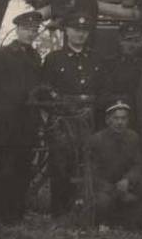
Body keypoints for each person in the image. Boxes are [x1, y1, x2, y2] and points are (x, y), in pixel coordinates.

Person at [0, 11, 44, 227]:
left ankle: (15, 215)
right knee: (2, 170)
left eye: (34, 30)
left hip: (27, 123)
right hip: (5, 124)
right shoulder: (1, 56)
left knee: (22, 169)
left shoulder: (35, 57)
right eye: (26, 29)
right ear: (17, 30)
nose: (30, 34)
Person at [41, 12, 105, 217]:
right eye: (76, 30)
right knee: (61, 164)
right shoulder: (53, 59)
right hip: (63, 119)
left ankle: (86, 210)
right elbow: (44, 89)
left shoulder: (95, 58)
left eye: (84, 31)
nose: (80, 34)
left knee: (88, 163)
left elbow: (103, 89)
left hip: (89, 117)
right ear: (66, 31)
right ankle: (59, 212)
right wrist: (58, 110)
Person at [79, 99, 142, 229]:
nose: (120, 122)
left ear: (128, 120)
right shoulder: (96, 140)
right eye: (116, 118)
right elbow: (91, 173)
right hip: (103, 187)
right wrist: (115, 190)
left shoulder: (133, 137)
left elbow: (138, 164)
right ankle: (104, 222)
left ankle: (129, 222)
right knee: (103, 201)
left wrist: (128, 179)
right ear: (108, 120)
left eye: (123, 118)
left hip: (124, 184)